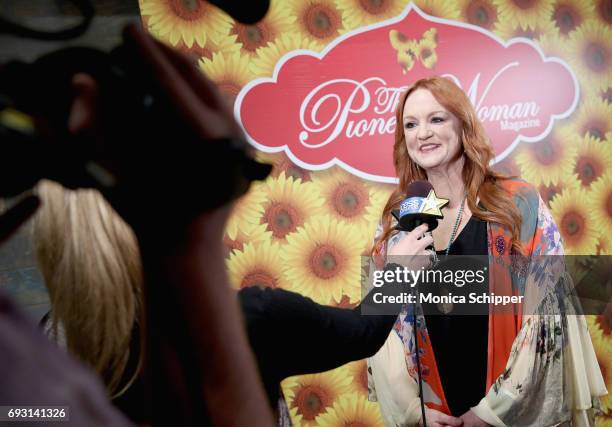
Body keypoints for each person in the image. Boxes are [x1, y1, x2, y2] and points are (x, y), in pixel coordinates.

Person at [367, 76, 607, 427]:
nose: (423, 133)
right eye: (411, 125)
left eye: (437, 119)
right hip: (435, 413)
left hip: (504, 411)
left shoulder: (517, 203)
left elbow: (546, 319)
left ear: (463, 124)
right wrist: (414, 412)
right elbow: (384, 325)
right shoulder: (398, 217)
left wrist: (491, 412)